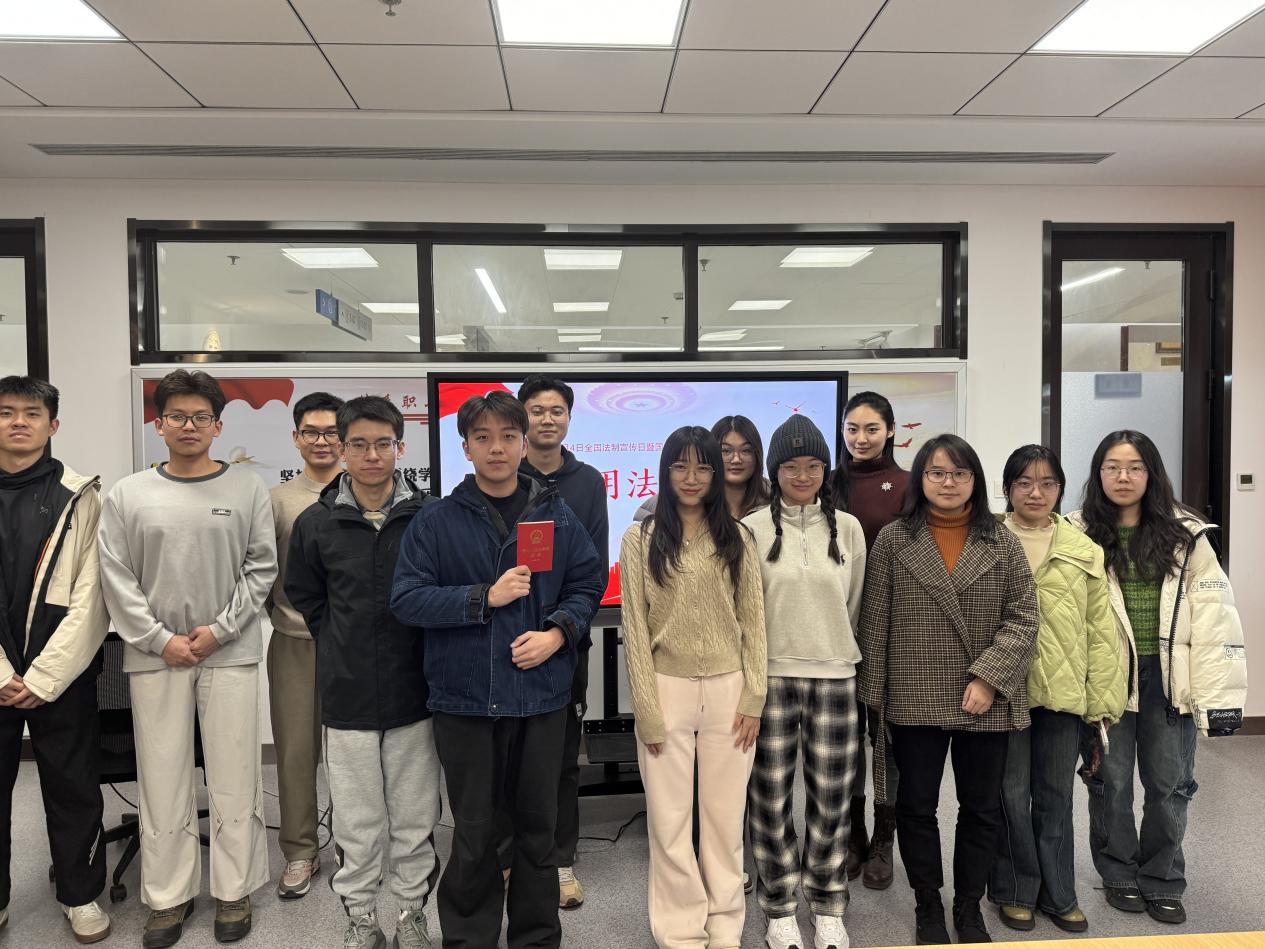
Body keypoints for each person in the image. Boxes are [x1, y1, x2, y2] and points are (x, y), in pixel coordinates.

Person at [390, 391, 603, 949]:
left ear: (523, 443)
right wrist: (483, 597)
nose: (497, 448)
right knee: (475, 832)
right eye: (482, 438)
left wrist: (558, 632)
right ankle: (469, 939)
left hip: (540, 698)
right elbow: (406, 599)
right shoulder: (435, 520)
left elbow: (588, 582)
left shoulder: (554, 514)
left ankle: (536, 937)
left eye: (508, 436)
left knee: (538, 829)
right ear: (466, 448)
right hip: (465, 700)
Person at [98, 370, 275, 948]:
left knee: (235, 774)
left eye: (201, 417)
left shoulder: (247, 488)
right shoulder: (128, 493)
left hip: (229, 651)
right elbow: (116, 576)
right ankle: (168, 897)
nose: (189, 426)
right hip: (156, 657)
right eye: (177, 416)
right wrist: (158, 639)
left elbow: (261, 567)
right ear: (159, 424)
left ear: (218, 426)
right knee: (161, 776)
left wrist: (219, 632)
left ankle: (234, 889)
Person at [858, 433, 1037, 945]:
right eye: (937, 472)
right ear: (921, 479)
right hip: (914, 693)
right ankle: (928, 903)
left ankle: (969, 905)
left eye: (959, 473)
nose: (948, 482)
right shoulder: (894, 540)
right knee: (916, 807)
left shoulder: (1002, 541)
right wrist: (875, 698)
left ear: (974, 481)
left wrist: (990, 677)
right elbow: (875, 621)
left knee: (981, 809)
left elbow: (1024, 616)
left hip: (984, 697)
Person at [1069, 430, 1246, 926]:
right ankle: (1119, 872)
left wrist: (1217, 698)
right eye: (1112, 467)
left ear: (1152, 474)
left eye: (1134, 467)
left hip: (1170, 679)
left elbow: (1215, 618)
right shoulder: (1078, 532)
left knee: (1170, 786)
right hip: (1107, 675)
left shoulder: (1188, 535)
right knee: (1110, 782)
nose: (1123, 477)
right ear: (1098, 474)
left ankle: (1162, 878)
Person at [286, 396, 440, 949]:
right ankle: (361, 917)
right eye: (359, 444)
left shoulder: (429, 517)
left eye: (382, 444)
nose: (372, 455)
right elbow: (306, 595)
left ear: (400, 447)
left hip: (415, 691)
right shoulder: (316, 522)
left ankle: (411, 914)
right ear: (342, 449)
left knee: (415, 817)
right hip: (346, 693)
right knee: (357, 821)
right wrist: (339, 641)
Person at [619, 425, 766, 949]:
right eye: (680, 466)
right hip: (666, 688)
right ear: (665, 471)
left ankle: (725, 925)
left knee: (724, 821)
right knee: (669, 821)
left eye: (703, 466)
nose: (691, 477)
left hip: (729, 690)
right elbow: (634, 628)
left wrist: (754, 697)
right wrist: (646, 708)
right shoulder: (639, 539)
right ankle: (681, 931)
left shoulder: (738, 538)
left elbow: (754, 622)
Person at [987, 445, 1126, 934]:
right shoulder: (987, 540)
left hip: (1063, 694)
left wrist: (1101, 701)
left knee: (1056, 796)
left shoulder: (1083, 549)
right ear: (1007, 489)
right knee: (1010, 793)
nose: (1036, 492)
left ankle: (1059, 892)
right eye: (1024, 482)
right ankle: (1015, 890)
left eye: (1047, 483)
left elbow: (1101, 631)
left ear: (1060, 489)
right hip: (1003, 692)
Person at [742, 415, 866, 949]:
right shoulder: (750, 528)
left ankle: (829, 902)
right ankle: (779, 906)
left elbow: (853, 603)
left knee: (832, 799)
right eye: (791, 466)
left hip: (834, 675)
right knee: (770, 798)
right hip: (770, 678)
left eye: (813, 465)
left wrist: (835, 649)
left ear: (825, 470)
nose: (802, 475)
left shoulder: (850, 528)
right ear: (774, 470)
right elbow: (746, 610)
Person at [0, 376, 111, 944]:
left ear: (53, 425)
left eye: (31, 413)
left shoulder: (81, 495)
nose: (19, 422)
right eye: (6, 412)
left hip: (61, 671)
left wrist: (45, 676)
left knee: (73, 788)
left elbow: (93, 596)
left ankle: (80, 895)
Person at [514, 375, 609, 909]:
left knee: (563, 759)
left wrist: (559, 631)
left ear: (570, 419)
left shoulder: (588, 481)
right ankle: (511, 858)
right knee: (507, 757)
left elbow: (591, 572)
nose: (547, 419)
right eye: (537, 410)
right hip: (506, 642)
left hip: (565, 641)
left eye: (557, 411)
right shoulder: (501, 474)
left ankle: (560, 859)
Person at [265, 391, 343, 901]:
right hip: (294, 640)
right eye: (311, 432)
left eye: (332, 432)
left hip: (355, 644)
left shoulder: (367, 491)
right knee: (296, 751)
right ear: (296, 438)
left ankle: (356, 847)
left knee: (357, 752)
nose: (322, 441)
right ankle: (300, 850)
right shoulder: (277, 500)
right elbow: (262, 571)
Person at [830, 390, 909, 890]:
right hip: (836, 632)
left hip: (892, 633)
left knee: (886, 740)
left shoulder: (907, 486)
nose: (861, 438)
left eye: (872, 429)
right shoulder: (825, 483)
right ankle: (853, 832)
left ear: (891, 431)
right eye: (852, 429)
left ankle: (884, 837)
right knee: (845, 742)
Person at [634, 415, 769, 523]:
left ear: (757, 455)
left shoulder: (774, 499)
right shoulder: (683, 494)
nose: (736, 459)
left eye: (746, 450)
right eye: (726, 450)